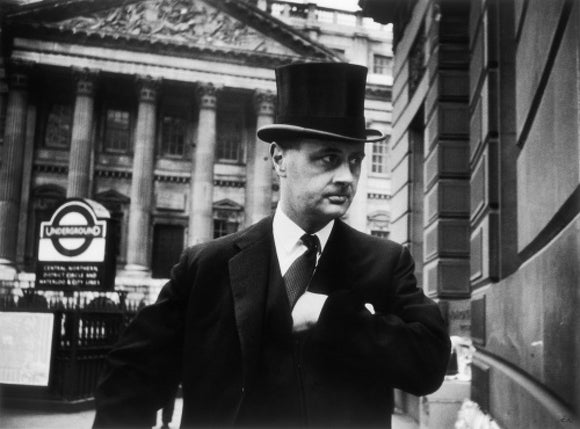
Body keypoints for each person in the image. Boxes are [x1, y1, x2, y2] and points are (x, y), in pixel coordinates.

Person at [93, 62, 451, 428]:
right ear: (280, 158)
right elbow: (131, 378)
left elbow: (429, 365)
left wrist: (336, 319)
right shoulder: (207, 266)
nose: (346, 177)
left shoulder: (385, 261)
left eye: (355, 161)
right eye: (328, 158)